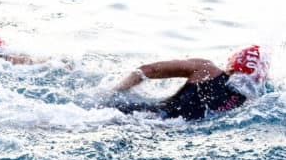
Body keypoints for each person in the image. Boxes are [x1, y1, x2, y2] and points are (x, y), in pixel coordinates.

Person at [109, 45, 270, 120]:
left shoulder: (206, 70)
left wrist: (114, 90)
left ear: (231, 63)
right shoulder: (250, 104)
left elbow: (147, 70)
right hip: (167, 131)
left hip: (142, 115)